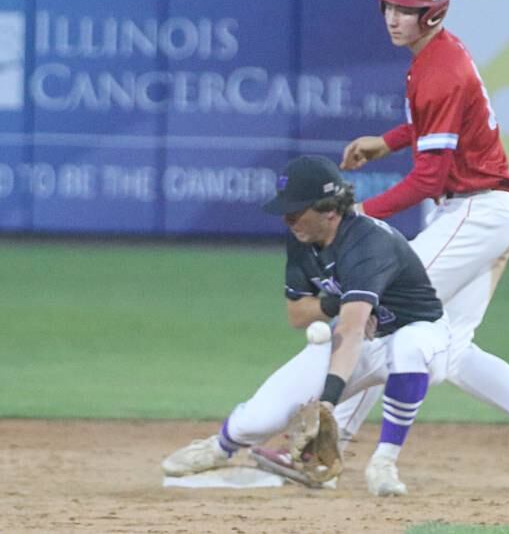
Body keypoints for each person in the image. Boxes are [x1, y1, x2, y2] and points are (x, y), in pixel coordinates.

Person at [328, 0, 509, 491]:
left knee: (381, 311)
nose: (394, 17)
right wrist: (390, 140)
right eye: (390, 5)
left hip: (473, 211)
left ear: (434, 13)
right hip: (483, 211)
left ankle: (323, 440)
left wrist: (356, 218)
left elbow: (427, 181)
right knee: (449, 351)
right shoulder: (435, 59)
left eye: (408, 9)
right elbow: (433, 124)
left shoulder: (439, 69)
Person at [161, 155, 451, 497]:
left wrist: (328, 401)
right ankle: (220, 446)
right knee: (261, 417)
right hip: (361, 341)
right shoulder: (300, 239)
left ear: (329, 209)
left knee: (408, 347)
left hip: (421, 336)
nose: (287, 218)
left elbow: (352, 327)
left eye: (296, 211)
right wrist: (332, 303)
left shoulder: (366, 243)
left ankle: (384, 462)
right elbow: (298, 314)